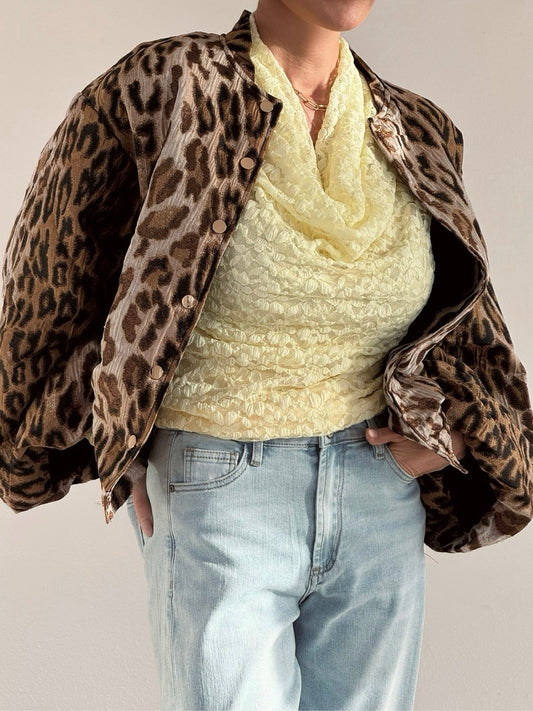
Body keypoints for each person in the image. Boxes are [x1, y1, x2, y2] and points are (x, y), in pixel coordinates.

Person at [0, 1, 532, 709]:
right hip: (219, 485)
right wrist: (115, 430)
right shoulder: (167, 85)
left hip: (379, 490)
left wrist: (465, 433)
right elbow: (52, 275)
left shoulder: (417, 128)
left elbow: (467, 318)